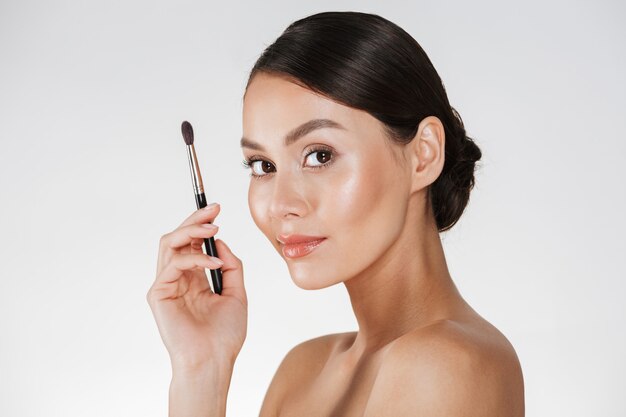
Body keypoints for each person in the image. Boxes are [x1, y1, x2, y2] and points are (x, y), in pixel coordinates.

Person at [147, 11, 525, 417]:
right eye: (263, 165)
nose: (280, 204)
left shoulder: (447, 363)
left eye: (319, 155)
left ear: (423, 155)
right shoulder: (302, 372)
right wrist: (201, 370)